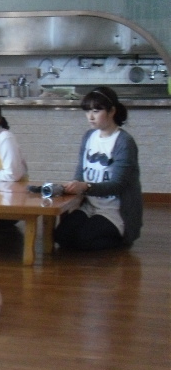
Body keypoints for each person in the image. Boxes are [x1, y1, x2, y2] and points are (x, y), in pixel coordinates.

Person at [53, 86, 143, 251]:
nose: (91, 117)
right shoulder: (89, 136)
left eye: (96, 111)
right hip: (89, 206)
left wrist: (86, 187)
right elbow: (80, 170)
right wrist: (75, 185)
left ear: (112, 111)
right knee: (61, 236)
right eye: (87, 111)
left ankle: (121, 238)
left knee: (83, 240)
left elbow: (117, 185)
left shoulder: (124, 142)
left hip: (114, 211)